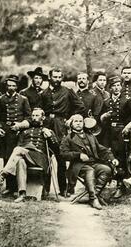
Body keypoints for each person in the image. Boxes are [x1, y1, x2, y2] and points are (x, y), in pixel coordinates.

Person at [0, 108, 59, 202]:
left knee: (18, 150)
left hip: (40, 159)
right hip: (26, 156)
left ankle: (1, 176)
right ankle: (22, 194)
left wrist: (50, 136)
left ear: (43, 117)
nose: (34, 118)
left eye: (37, 116)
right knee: (20, 161)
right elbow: (19, 145)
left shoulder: (47, 131)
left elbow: (56, 149)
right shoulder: (25, 131)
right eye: (33, 115)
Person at [40, 68, 87, 196]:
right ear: (49, 77)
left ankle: (63, 189)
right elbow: (39, 111)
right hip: (47, 127)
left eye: (60, 77)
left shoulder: (67, 91)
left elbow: (80, 106)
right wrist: (43, 126)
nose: (57, 79)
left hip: (61, 127)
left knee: (61, 159)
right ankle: (45, 189)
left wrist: (72, 117)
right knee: (46, 158)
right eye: (55, 77)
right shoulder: (43, 94)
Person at [60, 114, 119, 210]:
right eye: (76, 121)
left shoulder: (90, 136)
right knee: (90, 171)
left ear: (84, 123)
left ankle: (94, 195)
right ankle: (94, 198)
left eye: (80, 121)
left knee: (106, 169)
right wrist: (78, 155)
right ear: (71, 124)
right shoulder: (68, 138)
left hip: (93, 163)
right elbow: (63, 154)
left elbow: (102, 149)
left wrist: (112, 159)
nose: (78, 123)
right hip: (78, 166)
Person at [100, 75, 131, 198]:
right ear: (110, 88)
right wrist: (104, 117)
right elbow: (101, 119)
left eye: (119, 85)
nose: (117, 88)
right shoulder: (106, 101)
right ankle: (111, 181)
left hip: (122, 132)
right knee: (109, 155)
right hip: (109, 133)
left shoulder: (127, 100)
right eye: (114, 86)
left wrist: (129, 126)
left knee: (122, 157)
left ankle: (121, 186)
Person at [0, 75, 32, 193]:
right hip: (5, 131)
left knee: (17, 158)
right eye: (9, 85)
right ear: (6, 86)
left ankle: (17, 186)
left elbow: (29, 117)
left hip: (18, 132)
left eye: (13, 85)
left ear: (17, 87)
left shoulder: (23, 99)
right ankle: (10, 187)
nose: (11, 87)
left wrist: (20, 125)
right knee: (7, 157)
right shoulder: (0, 100)